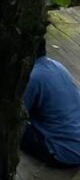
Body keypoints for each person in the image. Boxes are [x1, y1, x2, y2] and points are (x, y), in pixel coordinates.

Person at [21, 38, 80, 168]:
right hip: (75, 142)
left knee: (9, 130)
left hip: (64, 153)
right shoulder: (56, 65)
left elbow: (16, 116)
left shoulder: (33, 76)